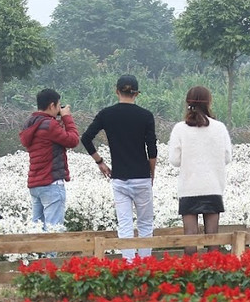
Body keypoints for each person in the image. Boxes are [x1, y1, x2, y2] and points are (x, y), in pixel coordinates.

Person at [81, 74, 158, 262]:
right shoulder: (146, 116)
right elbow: (152, 148)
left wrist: (100, 162)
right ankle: (146, 263)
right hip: (141, 176)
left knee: (125, 224)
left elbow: (85, 138)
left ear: (117, 91)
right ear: (136, 94)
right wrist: (152, 172)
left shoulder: (106, 114)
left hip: (119, 177)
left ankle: (128, 264)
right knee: (145, 223)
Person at [168, 86, 231, 256]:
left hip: (189, 188)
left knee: (190, 237)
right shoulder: (219, 128)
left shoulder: (180, 129)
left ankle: (190, 275)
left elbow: (174, 160)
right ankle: (213, 274)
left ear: (188, 102)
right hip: (213, 187)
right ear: (209, 102)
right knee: (213, 239)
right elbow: (227, 157)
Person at [19, 89, 79, 230]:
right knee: (53, 230)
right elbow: (73, 140)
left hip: (35, 183)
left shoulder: (30, 124)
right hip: (51, 183)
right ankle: (50, 254)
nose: (60, 109)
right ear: (52, 105)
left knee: (37, 230)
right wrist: (67, 118)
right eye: (58, 106)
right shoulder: (50, 125)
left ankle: (37, 253)